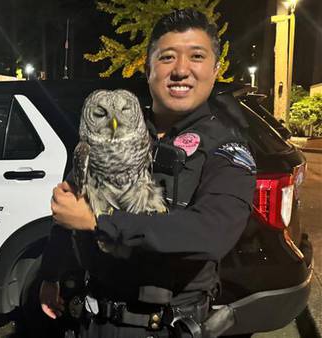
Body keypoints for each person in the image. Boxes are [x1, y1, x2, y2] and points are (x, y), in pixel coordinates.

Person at [39, 8, 256, 338]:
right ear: (148, 67)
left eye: (196, 56)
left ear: (215, 69)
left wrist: (100, 222)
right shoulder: (112, 126)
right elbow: (70, 209)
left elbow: (210, 232)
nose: (181, 70)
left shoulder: (227, 149)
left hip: (167, 327)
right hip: (93, 320)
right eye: (167, 57)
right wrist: (51, 273)